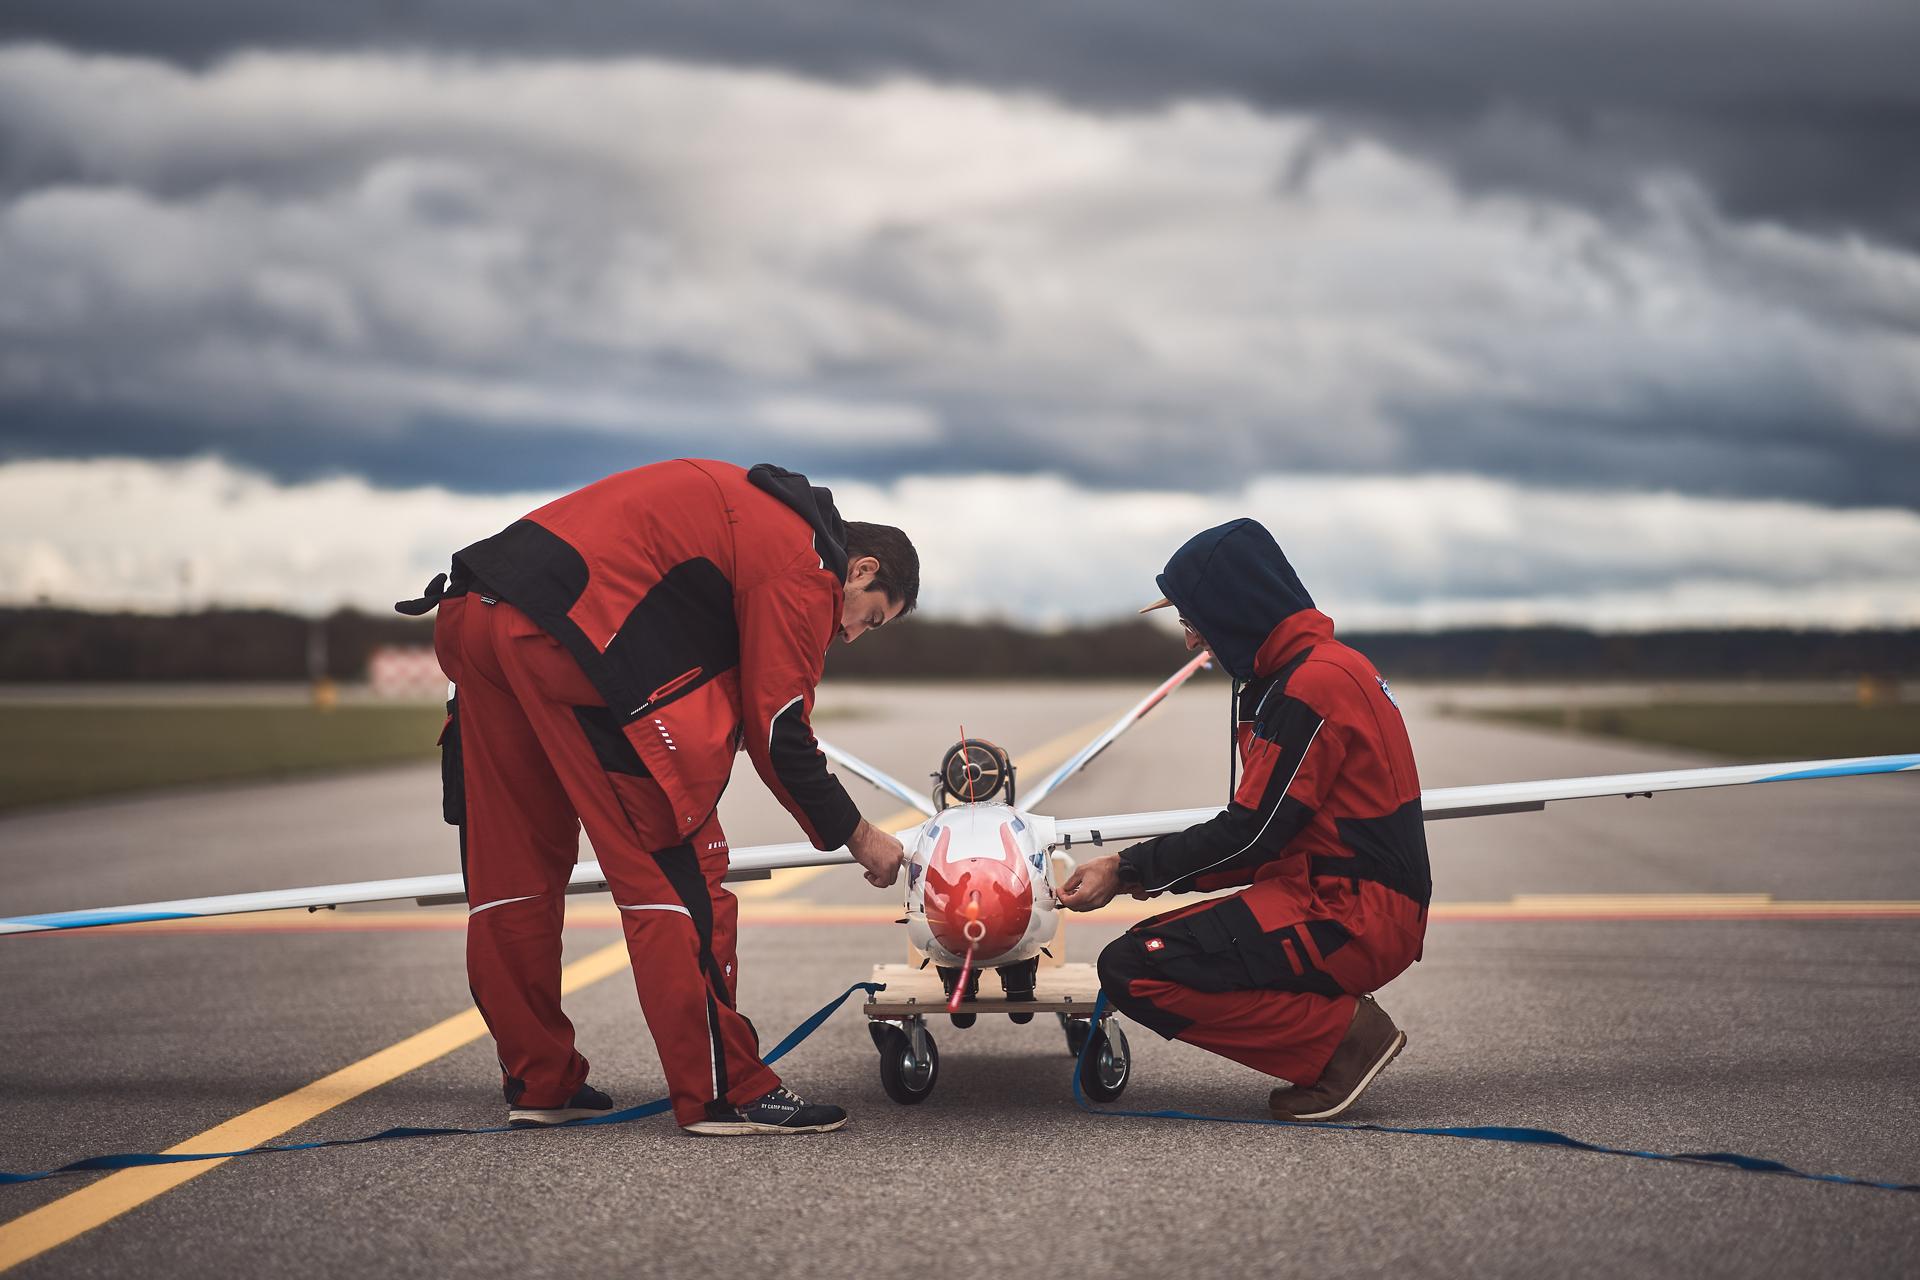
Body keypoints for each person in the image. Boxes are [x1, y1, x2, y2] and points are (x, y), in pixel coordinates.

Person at [396, 460, 916, 1136]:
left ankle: (540, 1081)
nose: (848, 635)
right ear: (862, 570)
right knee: (674, 876)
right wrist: (859, 835)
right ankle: (724, 1093)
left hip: (471, 617)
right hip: (568, 639)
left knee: (512, 873)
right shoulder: (805, 559)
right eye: (870, 620)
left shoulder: (747, 510)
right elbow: (779, 730)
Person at [1059, 519, 1429, 1120]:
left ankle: (1343, 1045)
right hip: (1332, 894)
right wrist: (1145, 875)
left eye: (1190, 621)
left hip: (1354, 913)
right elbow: (1263, 836)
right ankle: (1335, 1035)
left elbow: (1252, 834)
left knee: (1135, 966)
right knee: (1158, 949)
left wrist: (1125, 870)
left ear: (1231, 609)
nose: (1189, 641)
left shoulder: (1313, 685)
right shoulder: (1313, 671)